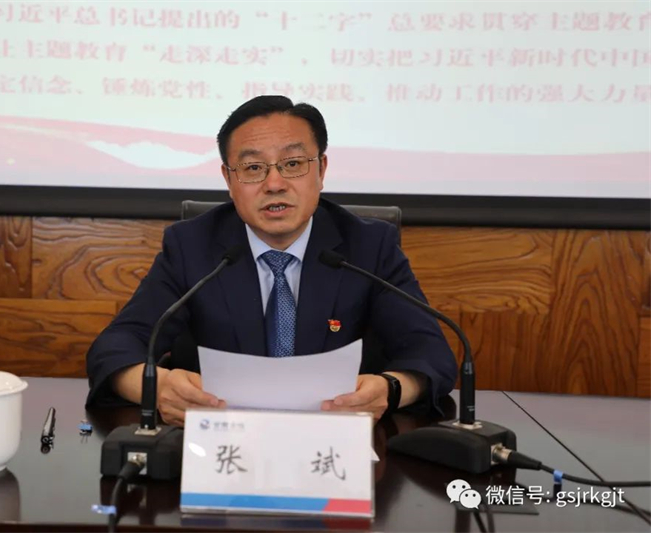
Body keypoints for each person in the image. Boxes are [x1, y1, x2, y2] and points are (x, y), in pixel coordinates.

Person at [86, 95, 457, 426]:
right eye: (252, 168)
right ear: (229, 180)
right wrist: (157, 387)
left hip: (338, 443)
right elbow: (116, 346)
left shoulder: (368, 246)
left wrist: (390, 390)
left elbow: (431, 354)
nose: (275, 184)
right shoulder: (192, 246)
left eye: (293, 163)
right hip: (220, 441)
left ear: (321, 169)